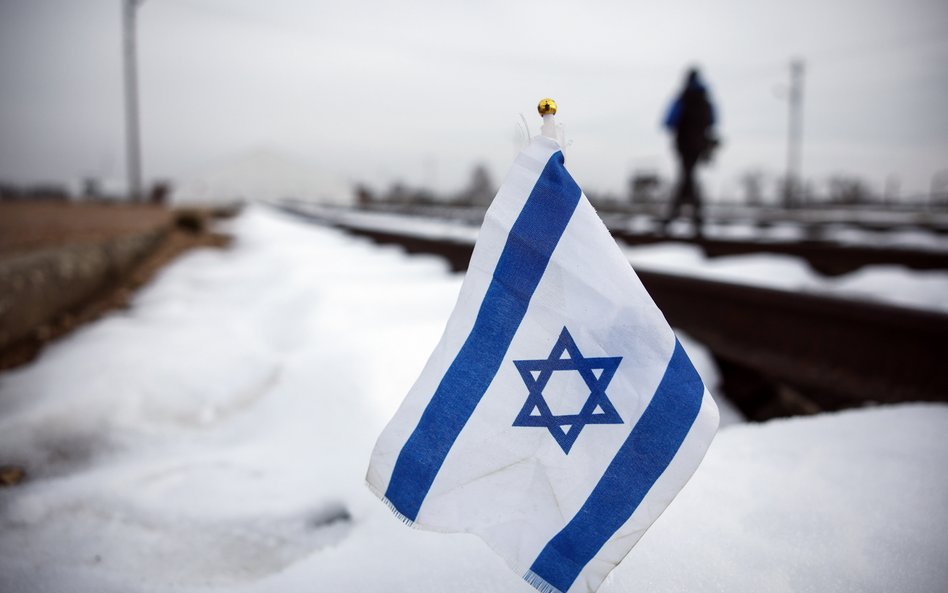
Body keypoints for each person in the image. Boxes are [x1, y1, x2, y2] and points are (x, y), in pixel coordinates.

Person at [662, 67, 717, 235]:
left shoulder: (682, 97)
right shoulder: (706, 99)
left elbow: (668, 120)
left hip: (683, 145)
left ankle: (679, 215)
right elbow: (714, 121)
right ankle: (692, 217)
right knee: (688, 176)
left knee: (687, 177)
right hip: (699, 145)